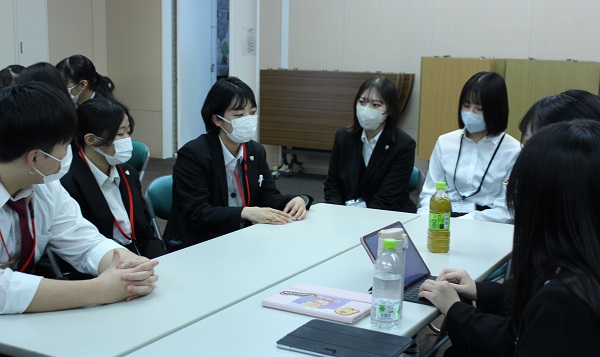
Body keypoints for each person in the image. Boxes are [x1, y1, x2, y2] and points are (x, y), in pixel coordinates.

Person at [414, 120, 600, 357]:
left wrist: (455, 309)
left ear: (545, 198)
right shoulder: (580, 256)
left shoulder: (564, 298)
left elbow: (519, 343)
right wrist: (479, 290)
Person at [0, 81, 158, 315]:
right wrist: (99, 290)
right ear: (34, 158)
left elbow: (84, 240)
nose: (69, 154)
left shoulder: (45, 187)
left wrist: (129, 266)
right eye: (65, 146)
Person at [163, 77, 312, 251]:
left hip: (241, 238)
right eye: (239, 115)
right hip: (199, 242)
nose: (248, 120)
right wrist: (245, 212)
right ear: (217, 119)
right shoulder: (194, 154)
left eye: (252, 112)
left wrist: (298, 199)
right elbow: (196, 213)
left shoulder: (255, 151)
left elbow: (268, 197)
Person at [61, 99, 166, 259]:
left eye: (128, 132)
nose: (127, 139)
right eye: (120, 134)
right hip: (101, 260)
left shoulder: (128, 172)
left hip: (138, 254)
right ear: (91, 140)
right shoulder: (68, 181)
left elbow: (145, 230)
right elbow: (79, 245)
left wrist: (160, 260)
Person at [417, 71, 521, 223]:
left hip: (486, 224)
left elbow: (507, 209)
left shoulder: (513, 151)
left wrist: (467, 221)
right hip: (443, 219)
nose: (470, 113)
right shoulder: (445, 142)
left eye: (479, 108)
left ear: (496, 110)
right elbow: (429, 193)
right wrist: (428, 218)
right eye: (466, 105)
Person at [323, 76, 416, 212]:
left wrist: (360, 217)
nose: (366, 110)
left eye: (376, 105)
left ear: (390, 109)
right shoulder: (343, 137)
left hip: (387, 214)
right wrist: (337, 211)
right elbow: (333, 184)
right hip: (346, 214)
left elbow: (388, 197)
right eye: (362, 102)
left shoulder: (404, 145)